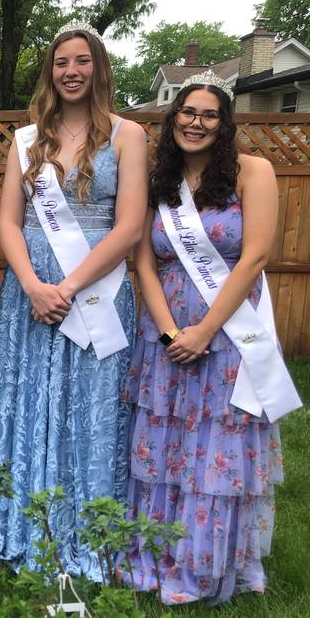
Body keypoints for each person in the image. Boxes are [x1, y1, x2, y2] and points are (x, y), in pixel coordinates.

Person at [0, 21, 148, 578]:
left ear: (99, 67)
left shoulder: (128, 135)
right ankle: (21, 522)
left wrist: (67, 288)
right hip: (31, 287)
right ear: (50, 71)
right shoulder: (25, 139)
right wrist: (30, 285)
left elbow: (130, 227)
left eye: (82, 61)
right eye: (61, 62)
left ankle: (86, 525)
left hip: (96, 287)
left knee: (90, 403)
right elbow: (7, 219)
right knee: (30, 402)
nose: (71, 72)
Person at [121, 72, 301, 604]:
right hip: (164, 332)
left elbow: (256, 257)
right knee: (167, 441)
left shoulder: (254, 171)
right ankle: (155, 551)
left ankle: (207, 563)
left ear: (224, 124)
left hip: (227, 333)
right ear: (173, 117)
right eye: (187, 112)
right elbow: (144, 262)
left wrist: (202, 330)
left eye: (208, 115)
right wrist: (172, 329)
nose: (195, 123)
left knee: (214, 443)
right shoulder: (161, 179)